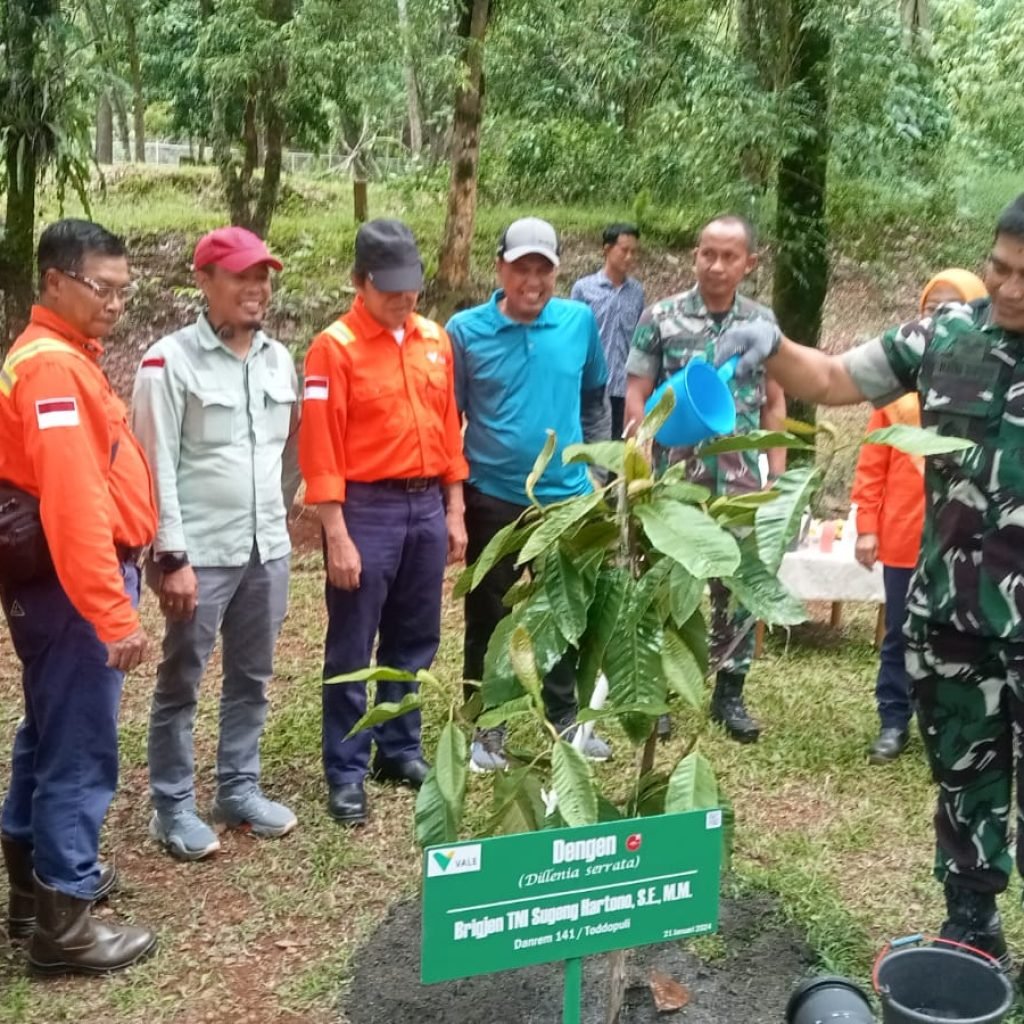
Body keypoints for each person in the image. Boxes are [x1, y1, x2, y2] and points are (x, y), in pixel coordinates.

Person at [712, 193, 1024, 967]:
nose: (1010, 288)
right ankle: (972, 929)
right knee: (964, 781)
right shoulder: (950, 333)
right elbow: (831, 378)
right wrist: (771, 343)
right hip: (953, 617)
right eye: (1000, 268)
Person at [0, 219, 157, 973]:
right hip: (70, 591)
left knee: (46, 730)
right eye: (103, 288)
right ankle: (64, 924)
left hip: (53, 590)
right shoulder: (52, 370)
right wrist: (113, 612)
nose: (116, 304)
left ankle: (34, 897)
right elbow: (71, 504)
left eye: (124, 291)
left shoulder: (55, 358)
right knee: (79, 747)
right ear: (56, 281)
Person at [131, 227, 300, 861]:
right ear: (205, 281)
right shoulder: (168, 362)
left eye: (263, 277)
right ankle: (172, 806)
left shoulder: (278, 359)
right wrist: (170, 556)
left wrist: (275, 522)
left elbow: (287, 454)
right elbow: (154, 464)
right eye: (240, 276)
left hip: (266, 551)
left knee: (252, 677)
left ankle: (238, 788)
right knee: (182, 679)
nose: (256, 289)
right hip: (199, 555)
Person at [299, 219, 468, 826]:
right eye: (390, 288)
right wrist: (336, 533)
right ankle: (345, 769)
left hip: (425, 505)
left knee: (415, 636)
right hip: (365, 507)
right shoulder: (334, 347)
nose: (403, 299)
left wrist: (455, 508)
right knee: (353, 643)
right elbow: (319, 447)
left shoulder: (433, 340)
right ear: (359, 282)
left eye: (411, 288)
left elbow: (449, 429)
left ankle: (399, 747)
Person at [447, 217, 612, 772]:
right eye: (522, 268)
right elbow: (454, 416)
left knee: (565, 611)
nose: (533, 280)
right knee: (488, 615)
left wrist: (597, 468)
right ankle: (486, 730)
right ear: (501, 269)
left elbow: (596, 399)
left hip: (566, 499)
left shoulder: (578, 321)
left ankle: (567, 723)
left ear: (557, 273)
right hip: (493, 496)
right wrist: (455, 497)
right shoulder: (465, 332)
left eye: (543, 269)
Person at [623, 214, 787, 743]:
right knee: (668, 581)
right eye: (707, 254)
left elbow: (775, 401)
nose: (716, 265)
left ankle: (730, 694)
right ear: (696, 255)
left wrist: (776, 477)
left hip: (739, 482)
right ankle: (660, 692)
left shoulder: (763, 324)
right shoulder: (662, 317)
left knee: (736, 585)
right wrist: (640, 461)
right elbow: (636, 390)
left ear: (749, 263)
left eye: (729, 256)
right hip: (674, 480)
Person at [851, 269, 988, 765]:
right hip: (905, 537)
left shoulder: (988, 386)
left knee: (959, 639)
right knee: (899, 632)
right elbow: (872, 463)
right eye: (933, 309)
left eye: (957, 307)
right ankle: (893, 720)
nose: (942, 318)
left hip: (967, 543)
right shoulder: (897, 391)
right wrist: (866, 526)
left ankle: (954, 725)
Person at [570, 224, 645, 439]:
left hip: (624, 387)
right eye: (624, 250)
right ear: (606, 249)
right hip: (592, 385)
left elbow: (638, 339)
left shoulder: (637, 293)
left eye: (633, 252)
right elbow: (575, 336)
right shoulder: (584, 289)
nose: (629, 257)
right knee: (590, 448)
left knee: (619, 452)